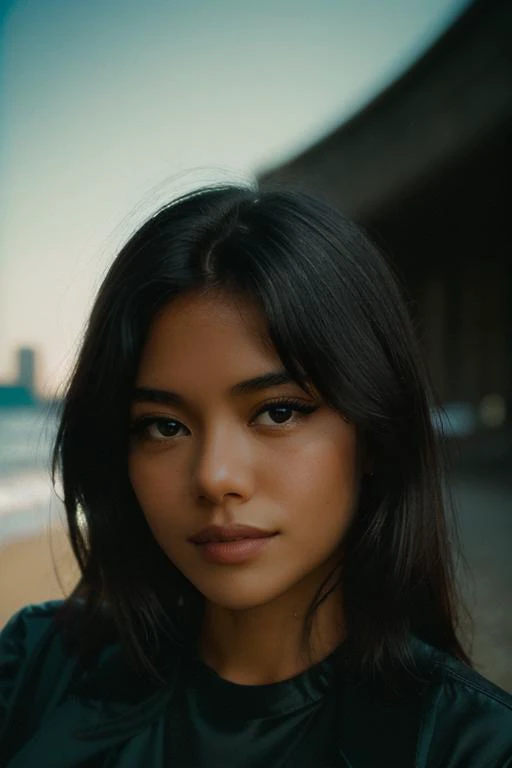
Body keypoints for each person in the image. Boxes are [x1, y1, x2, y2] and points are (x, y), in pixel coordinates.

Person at [0, 184, 511, 767]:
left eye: (278, 412)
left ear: (374, 429)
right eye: (164, 426)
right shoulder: (34, 668)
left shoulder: (474, 749)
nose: (215, 478)